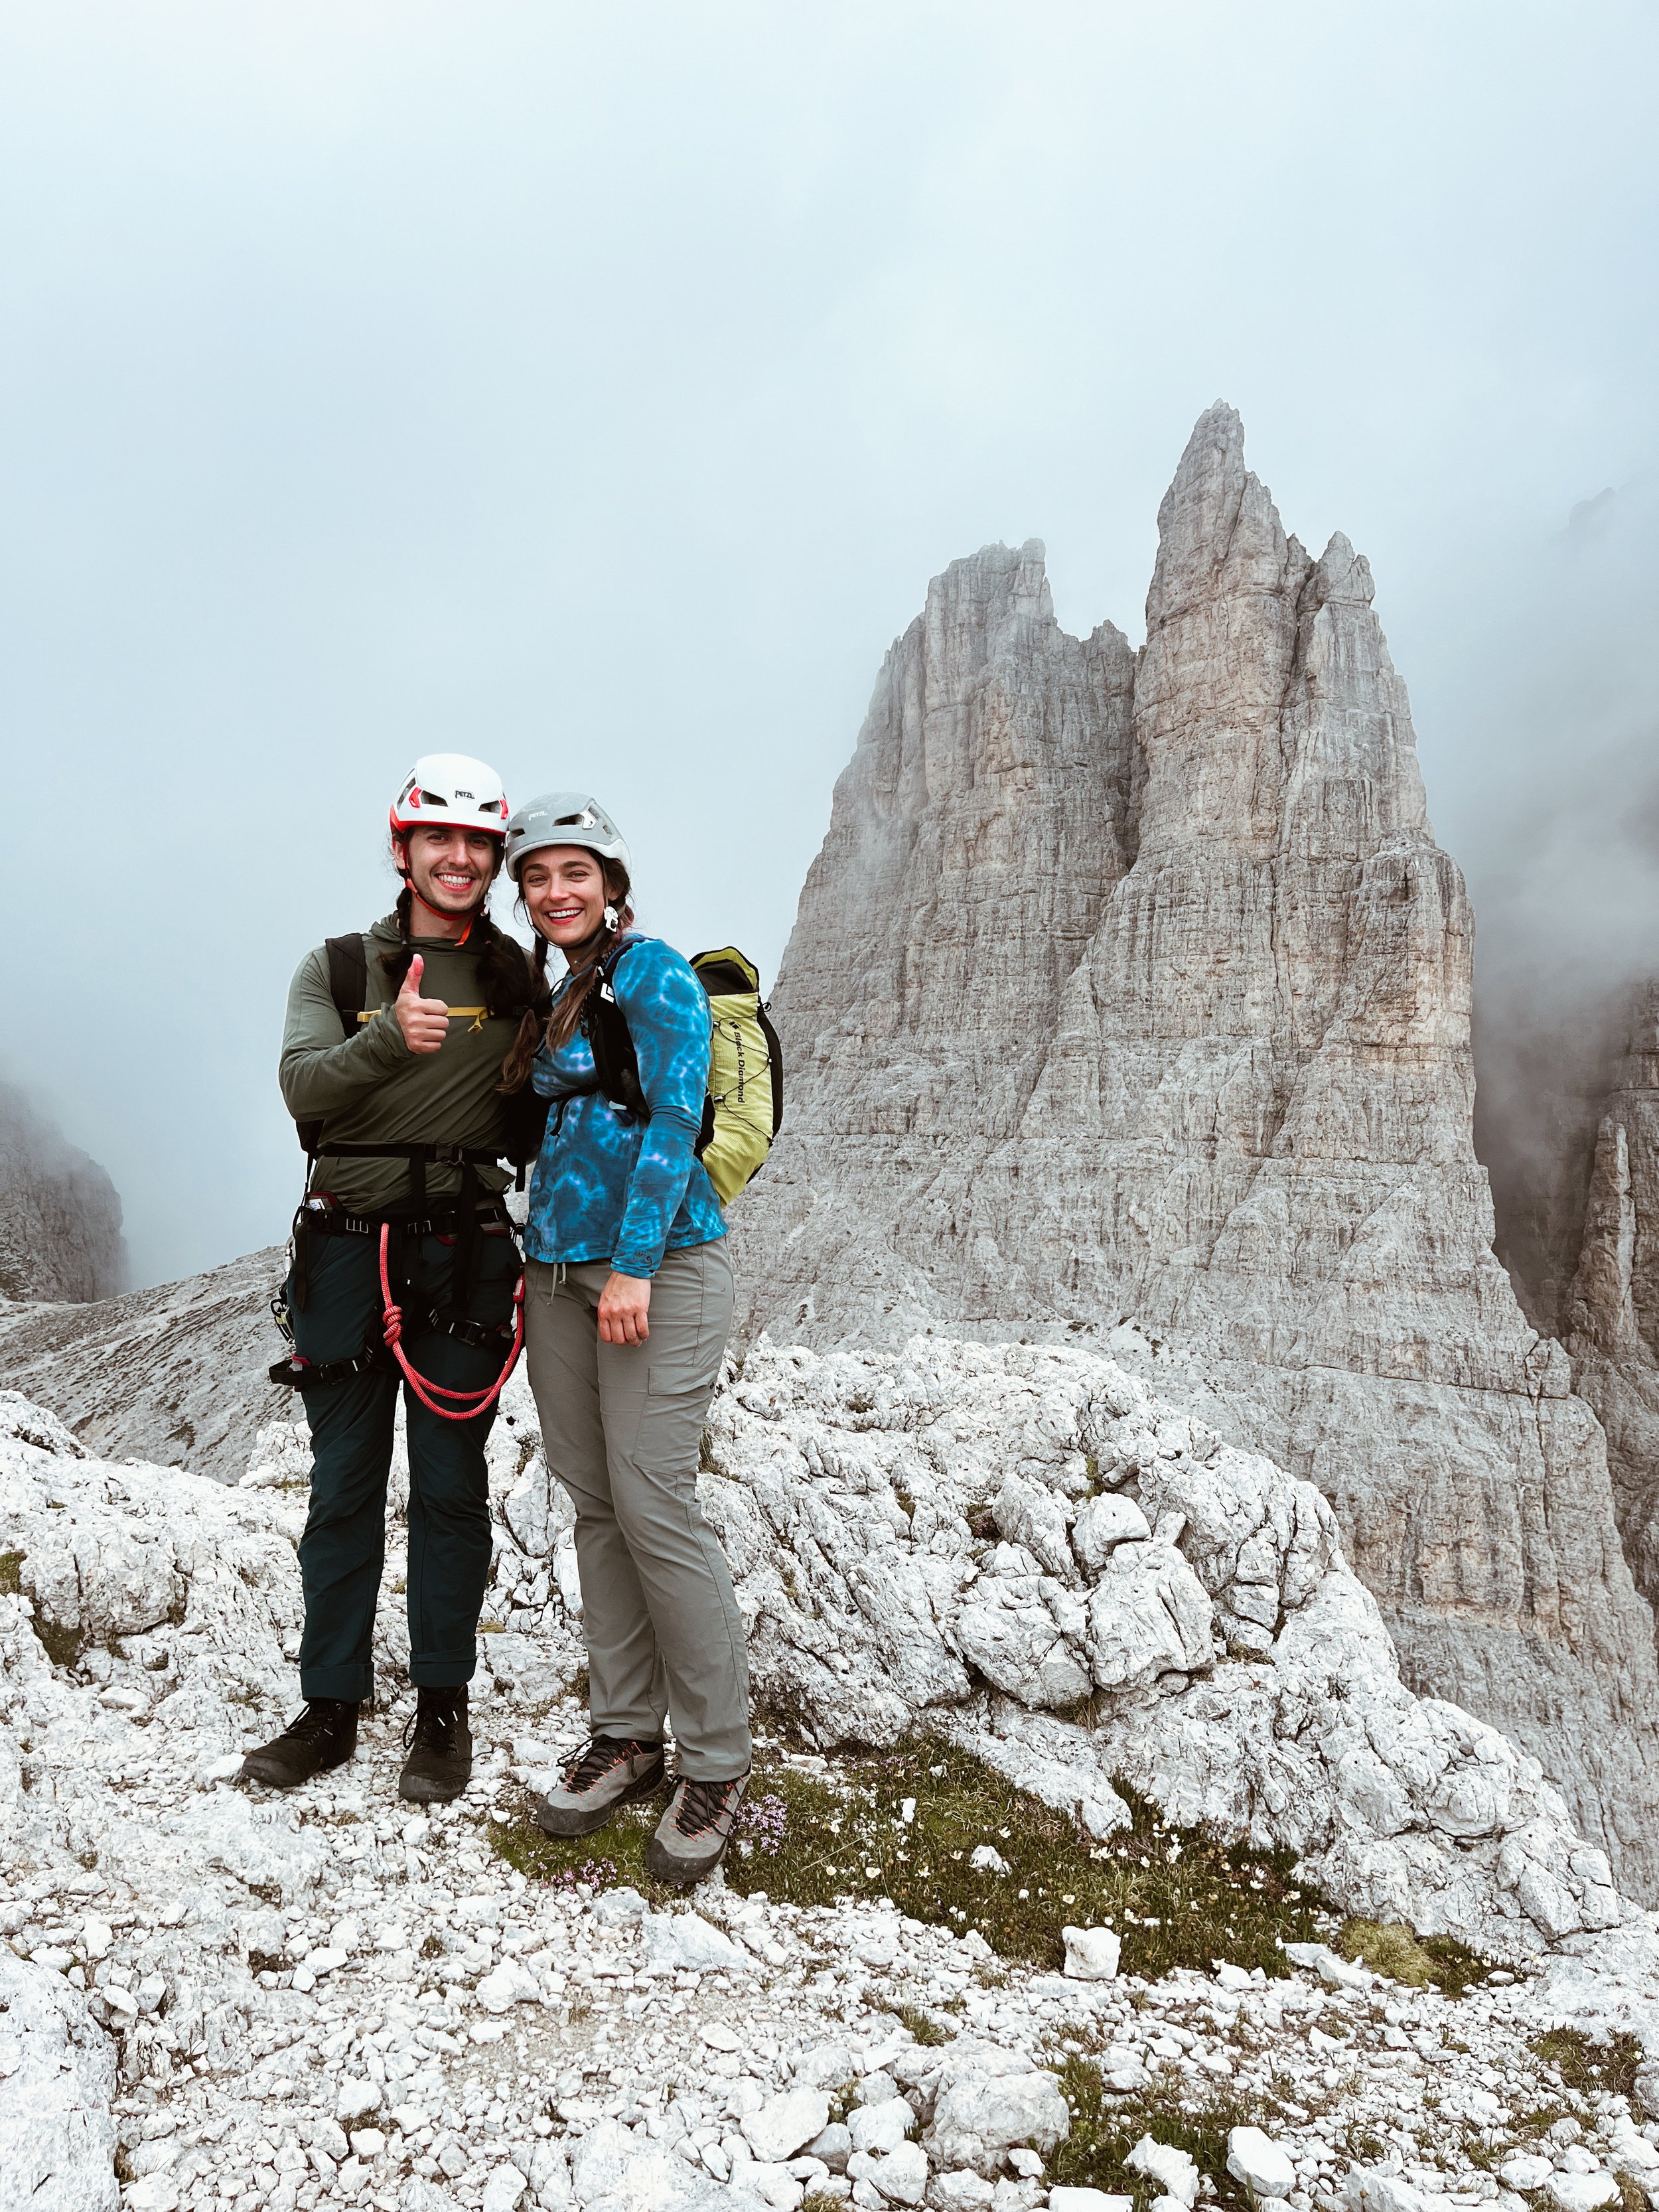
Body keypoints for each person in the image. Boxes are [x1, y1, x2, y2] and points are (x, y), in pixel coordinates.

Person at [240, 755, 545, 1803]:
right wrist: (385, 1039)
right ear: (404, 847)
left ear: (493, 857)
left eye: (478, 843)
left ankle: (440, 1708)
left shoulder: (516, 981)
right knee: (344, 1485)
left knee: (452, 1489)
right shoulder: (335, 971)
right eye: (439, 839)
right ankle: (329, 1707)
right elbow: (302, 1090)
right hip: (346, 1250)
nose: (459, 857)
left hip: (460, 1250)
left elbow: (541, 1113)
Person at [498, 792, 751, 1885]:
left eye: (576, 872)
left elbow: (674, 1115)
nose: (558, 891)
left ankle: (717, 1760)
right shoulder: (569, 988)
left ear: (612, 880)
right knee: (595, 1502)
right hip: (556, 1274)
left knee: (653, 1497)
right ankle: (627, 1730)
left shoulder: (653, 973)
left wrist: (636, 1262)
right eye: (539, 877)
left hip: (657, 1270)